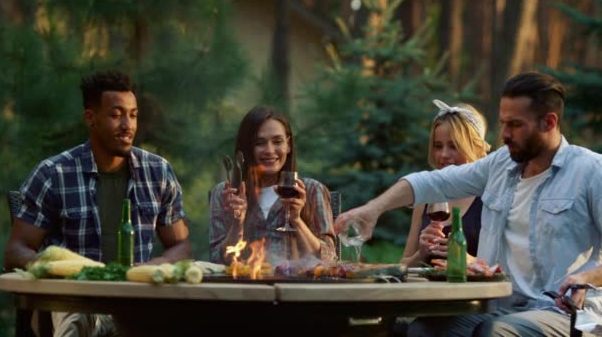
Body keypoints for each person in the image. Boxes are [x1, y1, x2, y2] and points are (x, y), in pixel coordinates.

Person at [335, 72, 602, 336]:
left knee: (495, 333)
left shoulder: (591, 172)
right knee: (423, 331)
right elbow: (433, 182)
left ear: (549, 122)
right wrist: (373, 209)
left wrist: (586, 279)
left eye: (515, 125)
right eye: (503, 123)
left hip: (563, 312)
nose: (505, 134)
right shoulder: (500, 164)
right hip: (499, 303)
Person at [3, 70, 192, 336]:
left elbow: (181, 245)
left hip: (136, 300)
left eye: (133, 114)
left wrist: (157, 263)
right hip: (73, 300)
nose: (128, 125)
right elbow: (15, 251)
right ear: (91, 118)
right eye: (116, 115)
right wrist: (55, 271)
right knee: (78, 321)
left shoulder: (157, 172)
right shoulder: (53, 174)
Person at [209, 106, 336, 265]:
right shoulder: (227, 193)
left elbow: (329, 259)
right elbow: (217, 261)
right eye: (259, 143)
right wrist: (237, 224)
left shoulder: (311, 190)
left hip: (295, 287)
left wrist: (296, 220)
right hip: (245, 287)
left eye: (277, 141)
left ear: (288, 145)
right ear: (247, 147)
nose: (269, 150)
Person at [400, 100, 490, 267]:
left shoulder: (489, 197)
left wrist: (467, 260)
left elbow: (506, 267)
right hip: (430, 292)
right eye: (438, 146)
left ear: (474, 146)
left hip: (473, 292)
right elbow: (403, 265)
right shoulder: (427, 196)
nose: (443, 155)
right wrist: (421, 253)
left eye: (453, 146)